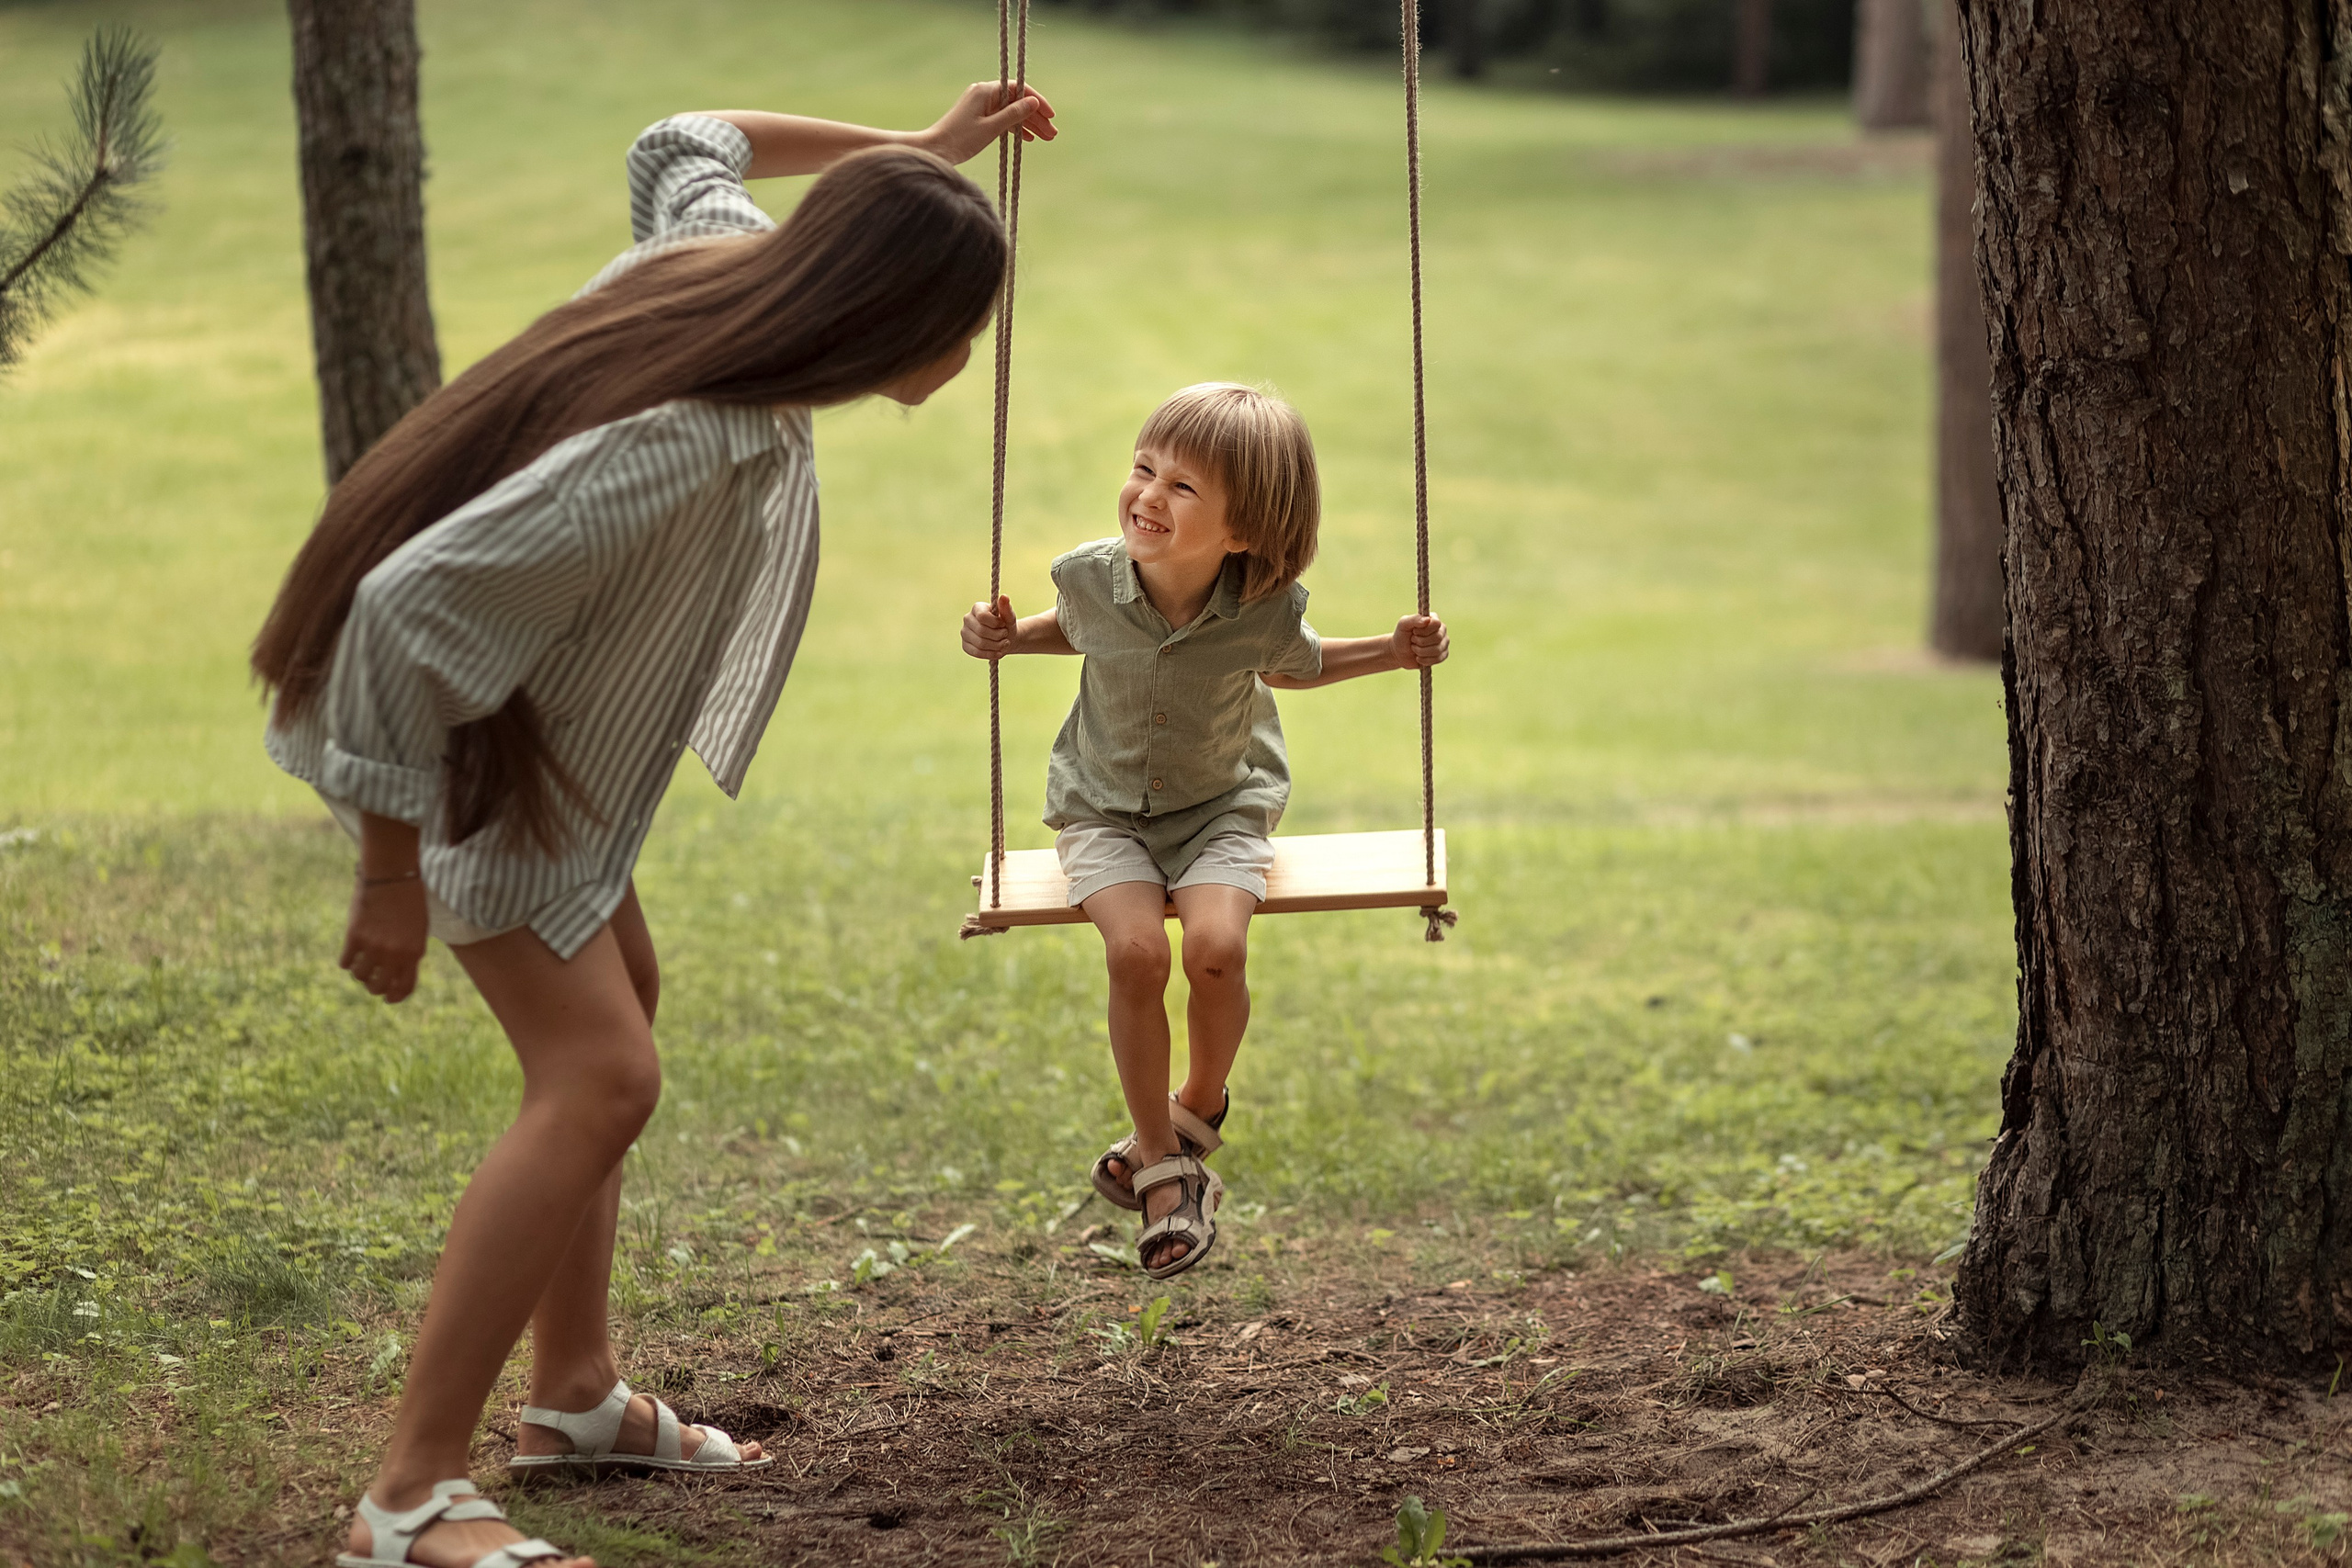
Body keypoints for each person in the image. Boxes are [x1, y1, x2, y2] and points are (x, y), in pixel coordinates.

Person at [252, 84, 1055, 1568]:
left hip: (557, 767)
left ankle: (572, 1398)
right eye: (958, 329)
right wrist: (387, 873)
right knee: (604, 1073)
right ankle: (408, 1493)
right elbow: (408, 606)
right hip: (479, 765)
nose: (963, 359)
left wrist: (919, 156)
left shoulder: (724, 270)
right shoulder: (700, 433)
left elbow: (684, 141)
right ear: (880, 321)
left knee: (630, 1005)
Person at [959, 383, 1449, 1280]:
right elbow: (1063, 630)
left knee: (1217, 947)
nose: (1148, 495)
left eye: (1182, 488)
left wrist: (1393, 648)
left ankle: (1198, 1104)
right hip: (1101, 808)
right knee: (1135, 956)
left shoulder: (1262, 607)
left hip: (1224, 805)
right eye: (1144, 469)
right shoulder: (1087, 577)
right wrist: (998, 640)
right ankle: (1161, 1164)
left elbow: (1297, 668)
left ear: (1243, 528)